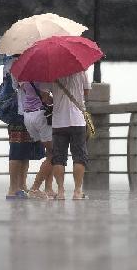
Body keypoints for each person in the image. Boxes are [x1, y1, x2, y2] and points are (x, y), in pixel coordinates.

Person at [41, 70, 91, 200]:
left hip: (59, 122)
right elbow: (86, 93)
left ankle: (61, 191)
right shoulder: (81, 72)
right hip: (77, 121)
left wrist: (56, 99)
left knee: (59, 158)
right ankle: (77, 191)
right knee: (79, 156)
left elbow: (44, 97)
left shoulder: (51, 73)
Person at [4, 58, 44, 200]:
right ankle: (12, 188)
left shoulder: (26, 61)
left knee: (25, 151)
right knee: (16, 150)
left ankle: (22, 185)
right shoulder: (13, 64)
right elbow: (19, 85)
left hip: (28, 113)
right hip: (18, 112)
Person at [17, 81, 55, 199]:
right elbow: (45, 98)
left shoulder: (24, 75)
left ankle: (48, 189)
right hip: (40, 116)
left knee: (49, 154)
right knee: (53, 155)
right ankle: (35, 188)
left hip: (28, 116)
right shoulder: (44, 77)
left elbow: (26, 91)